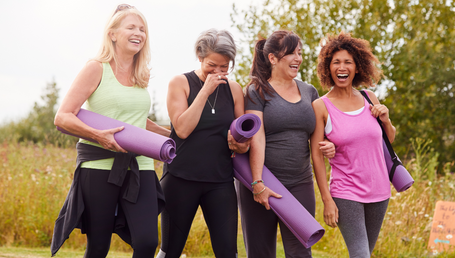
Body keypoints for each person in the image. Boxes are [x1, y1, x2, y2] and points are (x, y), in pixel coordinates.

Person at [51, 4, 170, 258]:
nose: (139, 33)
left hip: (140, 166)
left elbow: (135, 120)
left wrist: (168, 134)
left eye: (142, 29)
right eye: (131, 27)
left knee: (147, 242)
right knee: (98, 247)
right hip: (99, 168)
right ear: (113, 33)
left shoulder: (141, 75)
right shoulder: (96, 68)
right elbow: (62, 117)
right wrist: (97, 136)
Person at [237, 30, 335, 258]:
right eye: (291, 53)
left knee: (301, 252)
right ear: (272, 58)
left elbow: (317, 138)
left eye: (299, 53)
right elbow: (257, 138)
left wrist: (330, 145)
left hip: (300, 183)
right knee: (261, 253)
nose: (298, 58)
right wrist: (257, 182)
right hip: (264, 181)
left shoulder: (309, 91)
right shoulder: (257, 91)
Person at [156, 29, 249, 258]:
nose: (217, 72)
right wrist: (205, 90)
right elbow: (183, 129)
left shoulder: (234, 89)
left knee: (228, 252)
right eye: (212, 65)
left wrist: (241, 145)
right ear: (200, 56)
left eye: (224, 67)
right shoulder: (180, 83)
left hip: (220, 182)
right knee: (170, 251)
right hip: (180, 179)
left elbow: (244, 138)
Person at [311, 31, 396, 258]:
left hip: (380, 190)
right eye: (336, 62)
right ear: (328, 68)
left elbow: (389, 140)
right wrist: (327, 200)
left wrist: (386, 119)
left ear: (357, 67)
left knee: (365, 252)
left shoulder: (370, 98)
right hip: (346, 191)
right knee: (361, 255)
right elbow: (317, 156)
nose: (342, 67)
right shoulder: (321, 106)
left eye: (348, 62)